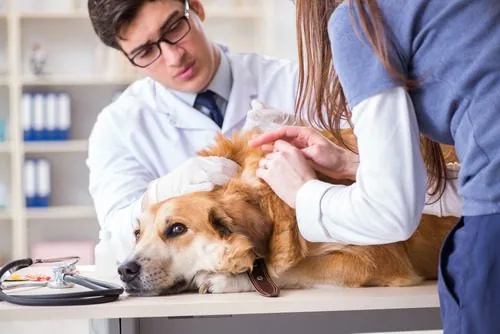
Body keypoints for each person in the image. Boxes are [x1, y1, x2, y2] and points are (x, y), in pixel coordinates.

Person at [250, 1, 499, 333]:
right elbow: (484, 181)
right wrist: (352, 165)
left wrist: (303, 192)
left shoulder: (362, 17)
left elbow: (392, 216)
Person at [86, 0, 298, 262]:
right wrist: (157, 194)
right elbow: (115, 240)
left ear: (197, 8)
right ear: (128, 58)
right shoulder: (118, 127)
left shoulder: (294, 82)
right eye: (145, 52)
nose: (174, 58)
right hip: (192, 298)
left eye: (174, 28)